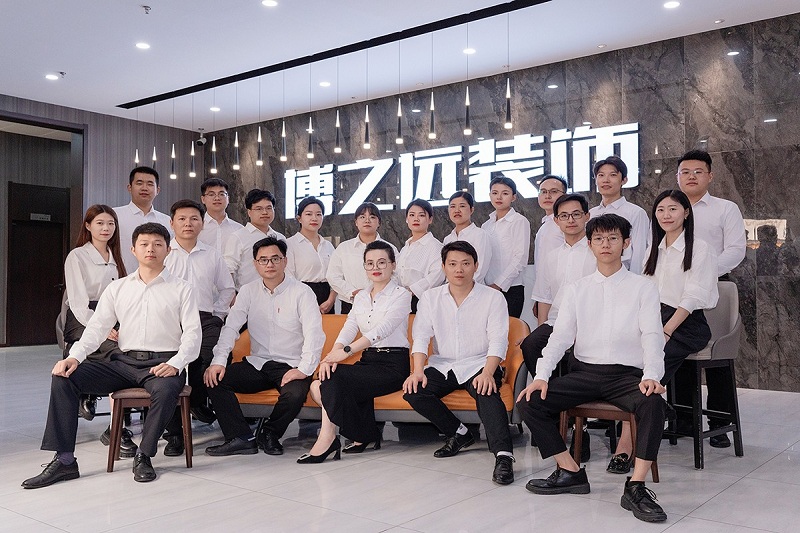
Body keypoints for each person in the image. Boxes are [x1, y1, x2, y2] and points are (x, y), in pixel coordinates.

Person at [22, 223, 202, 488]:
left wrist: (175, 364)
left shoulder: (183, 288)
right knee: (65, 377)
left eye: (157, 244)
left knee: (165, 391)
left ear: (168, 250)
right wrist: (74, 357)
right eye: (144, 244)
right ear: (133, 249)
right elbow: (96, 329)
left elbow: (193, 335)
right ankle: (65, 460)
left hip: (163, 363)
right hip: (123, 362)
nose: (150, 249)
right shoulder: (118, 288)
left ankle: (144, 455)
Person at [517, 214, 667, 523]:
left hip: (626, 376)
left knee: (653, 403)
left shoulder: (643, 287)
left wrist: (652, 375)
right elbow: (560, 337)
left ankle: (636, 486)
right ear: (590, 245)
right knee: (530, 400)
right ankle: (569, 471)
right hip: (584, 374)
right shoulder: (576, 289)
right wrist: (541, 376)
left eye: (613, 238)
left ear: (626, 243)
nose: (605, 244)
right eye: (598, 239)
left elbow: (652, 334)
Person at [608, 190, 719, 475]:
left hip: (686, 324)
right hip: (655, 318)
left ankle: (626, 445)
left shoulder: (700, 248)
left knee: (648, 366)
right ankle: (651, 413)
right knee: (627, 359)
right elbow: (644, 292)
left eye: (672, 209)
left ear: (686, 213)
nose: (666, 215)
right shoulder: (653, 249)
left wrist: (665, 331)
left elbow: (693, 297)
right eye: (660, 210)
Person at [402, 241, 515, 486]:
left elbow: (498, 339)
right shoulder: (430, 298)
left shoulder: (493, 298)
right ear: (444, 267)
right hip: (444, 365)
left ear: (476, 266)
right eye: (452, 264)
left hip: (480, 363)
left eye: (465, 263)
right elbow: (421, 337)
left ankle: (504, 456)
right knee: (414, 390)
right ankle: (459, 433)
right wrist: (418, 371)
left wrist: (488, 373)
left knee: (486, 391)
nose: (459, 269)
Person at [204, 237, 324, 457]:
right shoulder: (248, 291)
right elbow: (231, 328)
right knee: (214, 379)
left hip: (291, 364)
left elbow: (314, 334)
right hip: (258, 363)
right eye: (263, 260)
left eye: (275, 259)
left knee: (295, 394)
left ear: (285, 261)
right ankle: (241, 437)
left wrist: (304, 369)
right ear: (256, 264)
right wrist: (218, 361)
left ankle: (269, 434)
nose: (270, 264)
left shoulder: (302, 292)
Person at [298, 241, 412, 463]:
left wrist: (347, 352)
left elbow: (383, 329)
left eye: (382, 262)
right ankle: (364, 434)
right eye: (370, 263)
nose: (375, 267)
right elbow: (350, 326)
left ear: (393, 265)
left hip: (392, 364)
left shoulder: (401, 295)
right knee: (318, 384)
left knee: (330, 380)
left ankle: (328, 438)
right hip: (368, 361)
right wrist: (332, 355)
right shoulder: (361, 296)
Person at [676, 149, 746, 448]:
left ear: (710, 176)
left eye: (698, 171)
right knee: (676, 351)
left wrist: (703, 273)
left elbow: (736, 250)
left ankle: (719, 423)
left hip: (715, 287)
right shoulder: (670, 209)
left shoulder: (725, 208)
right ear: (677, 177)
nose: (691, 176)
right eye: (685, 172)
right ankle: (682, 419)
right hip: (675, 289)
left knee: (715, 357)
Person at [62, 205, 138, 457]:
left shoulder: (117, 256)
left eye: (111, 224)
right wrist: (103, 328)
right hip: (84, 319)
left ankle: (114, 427)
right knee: (117, 354)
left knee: (134, 352)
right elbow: (78, 304)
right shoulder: (77, 256)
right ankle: (113, 423)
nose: (106, 228)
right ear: (88, 226)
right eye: (100, 223)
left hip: (113, 318)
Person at [162, 200, 235, 450]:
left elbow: (227, 288)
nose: (188, 224)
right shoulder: (163, 253)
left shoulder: (212, 254)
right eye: (182, 219)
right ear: (171, 223)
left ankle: (197, 402)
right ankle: (174, 434)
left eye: (194, 219)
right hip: (170, 320)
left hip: (205, 318)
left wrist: (218, 315)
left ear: (202, 224)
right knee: (170, 367)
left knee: (214, 360)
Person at [521, 194, 595, 377]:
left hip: (590, 323)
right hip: (558, 322)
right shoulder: (551, 257)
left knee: (578, 359)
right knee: (531, 344)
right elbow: (544, 297)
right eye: (564, 216)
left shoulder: (597, 252)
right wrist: (540, 330)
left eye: (576, 214)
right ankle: (549, 388)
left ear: (587, 216)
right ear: (556, 220)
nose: (570, 220)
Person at [327, 202, 398, 314]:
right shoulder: (344, 248)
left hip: (382, 304)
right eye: (362, 217)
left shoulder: (390, 248)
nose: (367, 220)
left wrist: (378, 292)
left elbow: (397, 275)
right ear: (356, 222)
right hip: (350, 304)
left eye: (372, 217)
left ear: (379, 222)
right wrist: (352, 292)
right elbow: (332, 276)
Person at [588, 156, 650, 274]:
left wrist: (635, 281)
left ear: (624, 180)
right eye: (601, 175)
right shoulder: (591, 214)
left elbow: (639, 253)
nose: (606, 180)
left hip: (623, 276)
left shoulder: (636, 213)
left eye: (613, 175)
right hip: (593, 277)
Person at [483, 177, 531, 318]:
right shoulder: (486, 225)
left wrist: (498, 284)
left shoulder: (519, 221)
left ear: (513, 197)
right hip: (487, 289)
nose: (499, 197)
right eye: (495, 193)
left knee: (510, 329)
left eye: (505, 193)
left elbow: (520, 258)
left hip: (511, 289)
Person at [223, 189, 286, 291]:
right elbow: (229, 268)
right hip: (247, 294)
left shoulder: (280, 237)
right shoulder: (238, 237)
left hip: (278, 293)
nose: (265, 212)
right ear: (249, 212)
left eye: (269, 208)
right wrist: (231, 294)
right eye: (259, 209)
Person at [114, 167, 173, 274]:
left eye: (150, 184)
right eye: (139, 183)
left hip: (157, 279)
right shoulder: (115, 216)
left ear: (158, 190)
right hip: (121, 278)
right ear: (129, 187)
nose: (144, 188)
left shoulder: (167, 221)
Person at [286, 196, 337, 314]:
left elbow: (336, 275)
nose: (314, 218)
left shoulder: (328, 245)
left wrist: (331, 300)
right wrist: (305, 301)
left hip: (327, 299)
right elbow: (289, 277)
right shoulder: (290, 244)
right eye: (309, 214)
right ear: (299, 218)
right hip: (301, 297)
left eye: (319, 214)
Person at [396, 198, 444, 313]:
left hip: (422, 300)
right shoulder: (405, 247)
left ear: (430, 219)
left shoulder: (436, 246)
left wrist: (413, 290)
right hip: (401, 299)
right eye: (412, 215)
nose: (416, 219)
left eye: (421, 215)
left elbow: (438, 275)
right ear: (406, 219)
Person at [531, 175, 567, 317]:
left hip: (562, 293)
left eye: (554, 191)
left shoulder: (566, 224)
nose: (547, 196)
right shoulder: (545, 225)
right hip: (544, 294)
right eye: (543, 191)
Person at [442, 192, 492, 284]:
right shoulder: (448, 239)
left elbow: (480, 269)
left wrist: (463, 287)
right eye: (452, 206)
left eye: (462, 206)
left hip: (474, 289)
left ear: (471, 209)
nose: (457, 210)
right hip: (450, 289)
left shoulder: (480, 235)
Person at [198, 177, 244, 253]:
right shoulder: (196, 228)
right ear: (203, 199)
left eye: (221, 194)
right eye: (211, 194)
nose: (217, 198)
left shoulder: (239, 229)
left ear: (228, 199)